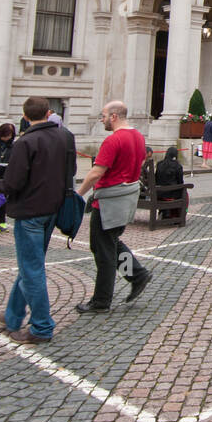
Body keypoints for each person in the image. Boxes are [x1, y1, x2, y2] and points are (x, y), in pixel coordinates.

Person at [0, 96, 75, 344]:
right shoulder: (66, 137)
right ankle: (13, 316)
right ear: (49, 113)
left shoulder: (26, 141)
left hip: (30, 213)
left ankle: (41, 326)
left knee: (31, 269)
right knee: (31, 265)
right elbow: (71, 172)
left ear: (25, 116)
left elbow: (14, 182)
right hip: (53, 210)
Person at [74, 100, 154, 314]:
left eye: (103, 116)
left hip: (109, 199)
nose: (102, 120)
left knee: (102, 251)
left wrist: (78, 194)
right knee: (111, 242)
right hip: (126, 196)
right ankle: (138, 275)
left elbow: (96, 172)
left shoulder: (113, 140)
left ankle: (101, 301)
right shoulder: (138, 136)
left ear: (114, 116)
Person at [154, 145, 188, 221]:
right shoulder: (177, 166)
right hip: (172, 194)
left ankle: (164, 212)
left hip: (159, 194)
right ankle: (179, 214)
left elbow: (156, 178)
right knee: (185, 194)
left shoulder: (159, 164)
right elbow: (180, 182)